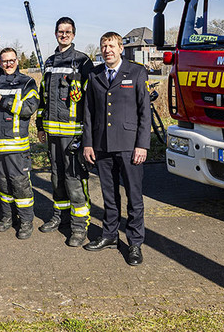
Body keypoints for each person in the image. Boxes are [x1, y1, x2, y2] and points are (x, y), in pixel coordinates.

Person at [82, 32, 151, 266]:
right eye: (103, 46)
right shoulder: (94, 75)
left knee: (134, 196)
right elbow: (89, 112)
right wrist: (88, 143)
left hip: (130, 146)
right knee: (109, 196)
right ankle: (110, 235)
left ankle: (134, 243)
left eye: (111, 45)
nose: (107, 50)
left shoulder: (137, 72)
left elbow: (145, 111)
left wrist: (142, 144)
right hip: (102, 146)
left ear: (121, 48)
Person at [36, 17, 94, 247]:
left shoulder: (82, 60)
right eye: (60, 31)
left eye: (68, 31)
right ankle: (61, 218)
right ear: (55, 34)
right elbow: (43, 97)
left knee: (74, 179)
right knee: (57, 178)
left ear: (74, 34)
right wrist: (40, 126)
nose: (64, 34)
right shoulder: (49, 62)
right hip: (52, 133)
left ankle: (80, 227)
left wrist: (87, 134)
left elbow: (90, 101)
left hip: (73, 134)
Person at [0, 47, 40, 239]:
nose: (8, 64)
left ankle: (26, 221)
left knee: (20, 185)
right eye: (5, 61)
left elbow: (29, 108)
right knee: (2, 185)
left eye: (11, 60)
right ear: (0, 63)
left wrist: (4, 101)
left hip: (17, 146)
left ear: (17, 61)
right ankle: (8, 217)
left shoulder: (27, 82)